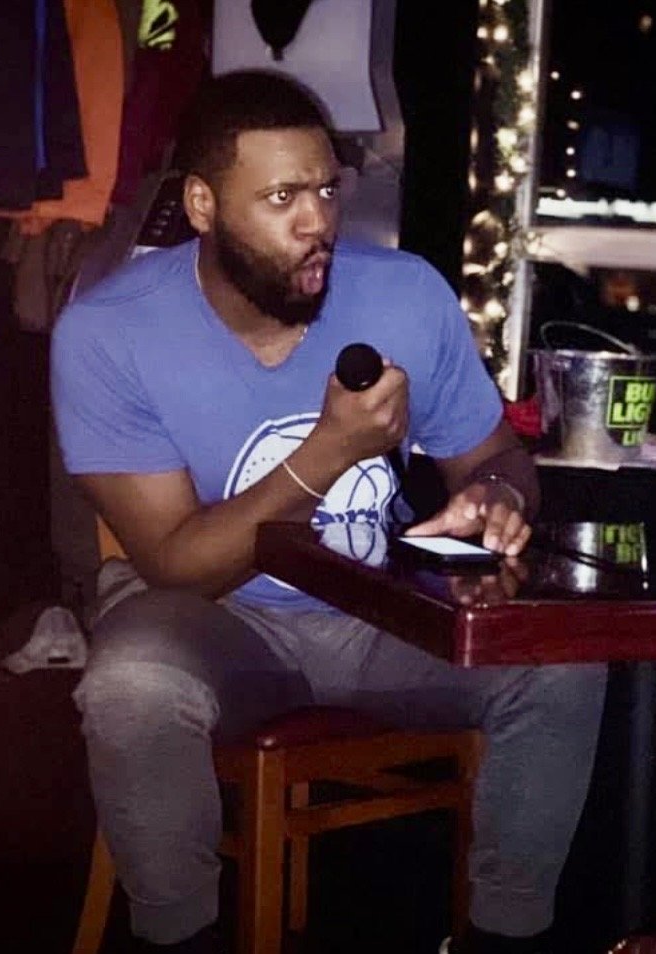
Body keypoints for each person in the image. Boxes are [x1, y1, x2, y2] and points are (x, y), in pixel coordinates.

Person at [50, 69, 607, 954]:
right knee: (133, 682)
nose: (317, 221)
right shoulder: (108, 331)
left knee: (561, 660)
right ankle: (176, 938)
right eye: (282, 198)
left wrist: (498, 495)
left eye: (325, 190)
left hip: (375, 610)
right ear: (202, 205)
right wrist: (328, 453)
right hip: (214, 622)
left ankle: (504, 937)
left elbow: (498, 456)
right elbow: (176, 565)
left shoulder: (405, 294)